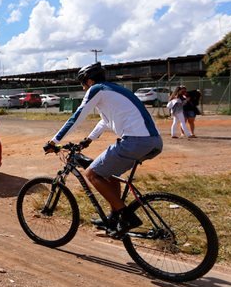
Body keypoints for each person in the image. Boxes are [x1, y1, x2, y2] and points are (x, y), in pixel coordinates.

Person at [45, 63, 163, 236]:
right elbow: (105, 121)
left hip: (134, 141)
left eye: (83, 84)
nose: (83, 88)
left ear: (90, 81)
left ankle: (127, 216)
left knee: (92, 174)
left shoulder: (97, 89)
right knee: (109, 174)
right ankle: (114, 217)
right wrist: (88, 140)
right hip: (152, 142)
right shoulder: (113, 90)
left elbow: (77, 116)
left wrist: (54, 141)